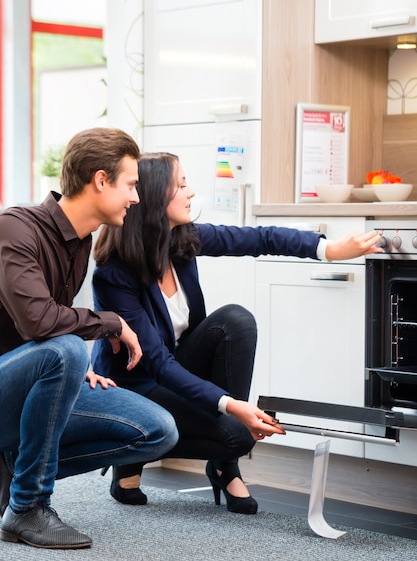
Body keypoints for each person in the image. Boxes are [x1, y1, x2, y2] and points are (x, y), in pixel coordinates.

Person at [91, 151, 383, 515]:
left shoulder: (182, 240)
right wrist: (232, 407)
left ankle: (224, 465)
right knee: (234, 434)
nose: (191, 192)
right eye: (181, 185)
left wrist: (328, 249)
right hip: (138, 384)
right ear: (150, 200)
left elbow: (260, 238)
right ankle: (135, 451)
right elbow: (159, 364)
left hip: (174, 367)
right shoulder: (114, 274)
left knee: (235, 320)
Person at [0, 129, 179, 550]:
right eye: (131, 185)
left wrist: (74, 372)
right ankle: (27, 506)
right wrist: (111, 323)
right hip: (6, 386)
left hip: (32, 385)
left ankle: (16, 469)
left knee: (159, 430)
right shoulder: (15, 227)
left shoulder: (81, 242)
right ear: (100, 180)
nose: (136, 197)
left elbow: (51, 331)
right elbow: (40, 324)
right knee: (64, 351)